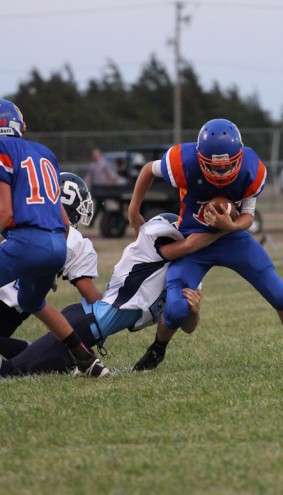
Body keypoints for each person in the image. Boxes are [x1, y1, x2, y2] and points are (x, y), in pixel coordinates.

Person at [128, 117, 283, 371]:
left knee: (281, 295)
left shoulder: (251, 169)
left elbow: (248, 216)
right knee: (176, 308)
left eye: (227, 167)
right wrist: (134, 208)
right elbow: (148, 170)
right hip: (193, 239)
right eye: (213, 167)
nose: (220, 173)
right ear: (199, 157)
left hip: (232, 239)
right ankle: (156, 351)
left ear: (239, 157)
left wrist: (229, 226)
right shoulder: (183, 160)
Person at [0, 214, 224, 378]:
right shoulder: (155, 252)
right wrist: (226, 229)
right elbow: (186, 246)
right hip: (81, 324)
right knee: (12, 371)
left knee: (34, 361)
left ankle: (38, 351)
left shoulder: (185, 276)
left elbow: (185, 326)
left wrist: (194, 311)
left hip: (87, 329)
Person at [0, 99, 108, 377]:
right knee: (34, 302)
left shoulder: (3, 150)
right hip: (56, 245)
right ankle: (86, 359)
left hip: (25, 242)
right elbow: (63, 220)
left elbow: (4, 210)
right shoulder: (44, 153)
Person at [0, 172, 101, 359]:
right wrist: (114, 304)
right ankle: (41, 353)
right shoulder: (77, 242)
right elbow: (89, 294)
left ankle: (41, 354)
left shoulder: (28, 219)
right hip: (18, 306)